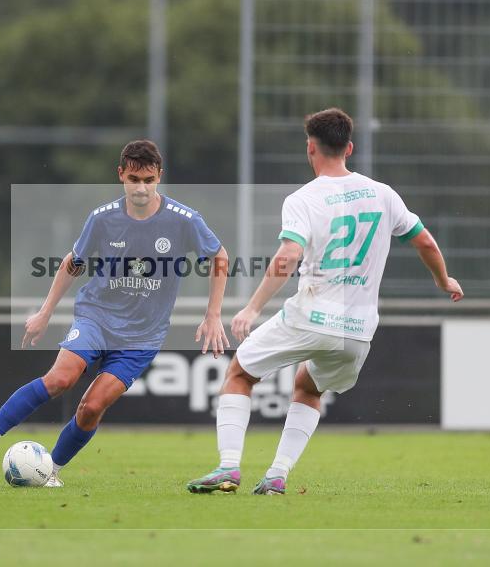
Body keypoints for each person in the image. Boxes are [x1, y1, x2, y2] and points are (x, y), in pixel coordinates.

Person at [187, 108, 463, 495]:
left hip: (311, 314)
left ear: (310, 148)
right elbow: (426, 242)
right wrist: (443, 278)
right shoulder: (383, 194)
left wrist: (251, 308)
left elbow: (287, 257)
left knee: (240, 374)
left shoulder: (304, 198)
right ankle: (277, 474)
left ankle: (229, 467)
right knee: (309, 387)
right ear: (348, 147)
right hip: (359, 330)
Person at [0, 140, 230, 486]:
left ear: (159, 176)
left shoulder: (184, 220)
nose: (141, 188)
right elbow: (73, 264)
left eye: (148, 179)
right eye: (134, 179)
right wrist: (44, 313)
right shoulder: (102, 219)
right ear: (121, 176)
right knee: (60, 378)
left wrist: (213, 314)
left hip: (143, 336)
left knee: (91, 408)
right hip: (96, 317)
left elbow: (219, 257)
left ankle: (50, 470)